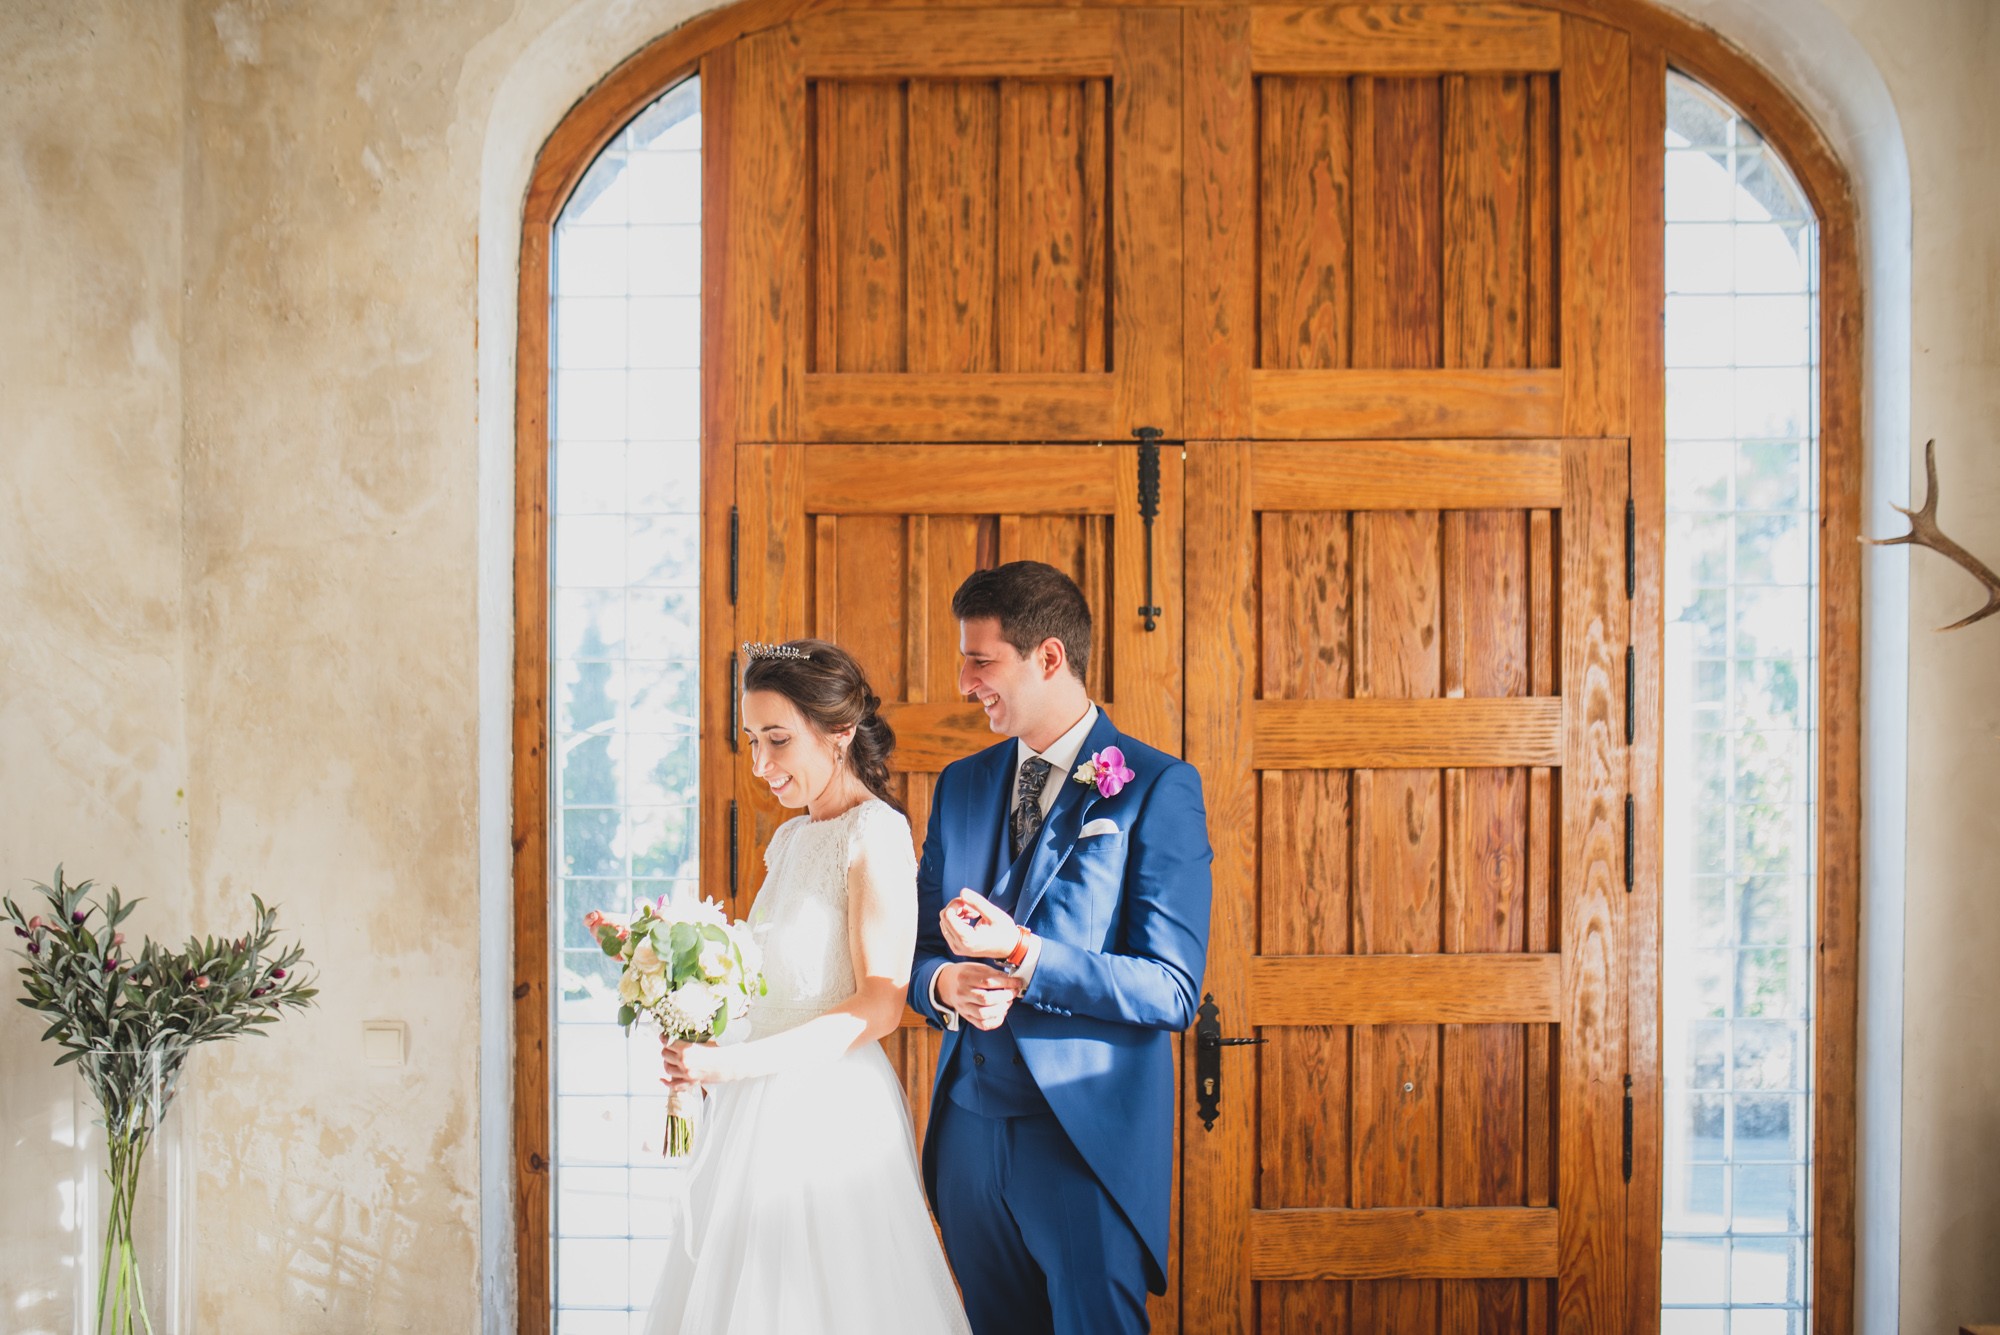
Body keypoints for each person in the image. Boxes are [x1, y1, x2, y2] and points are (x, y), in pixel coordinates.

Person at [910, 561, 1215, 1335]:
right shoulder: (962, 784)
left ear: (1048, 657)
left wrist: (1024, 953)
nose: (964, 680)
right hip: (968, 1143)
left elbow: (1172, 989)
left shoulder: (1154, 786)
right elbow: (915, 954)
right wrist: (946, 986)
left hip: (1084, 1145)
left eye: (981, 661)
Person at [642, 639, 971, 1335]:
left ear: (840, 732)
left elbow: (880, 1004)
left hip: (831, 1114)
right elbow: (768, 986)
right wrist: (701, 1026)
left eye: (779, 740)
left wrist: (730, 1063)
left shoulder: (876, 834)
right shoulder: (789, 841)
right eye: (752, 740)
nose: (761, 764)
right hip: (750, 1108)